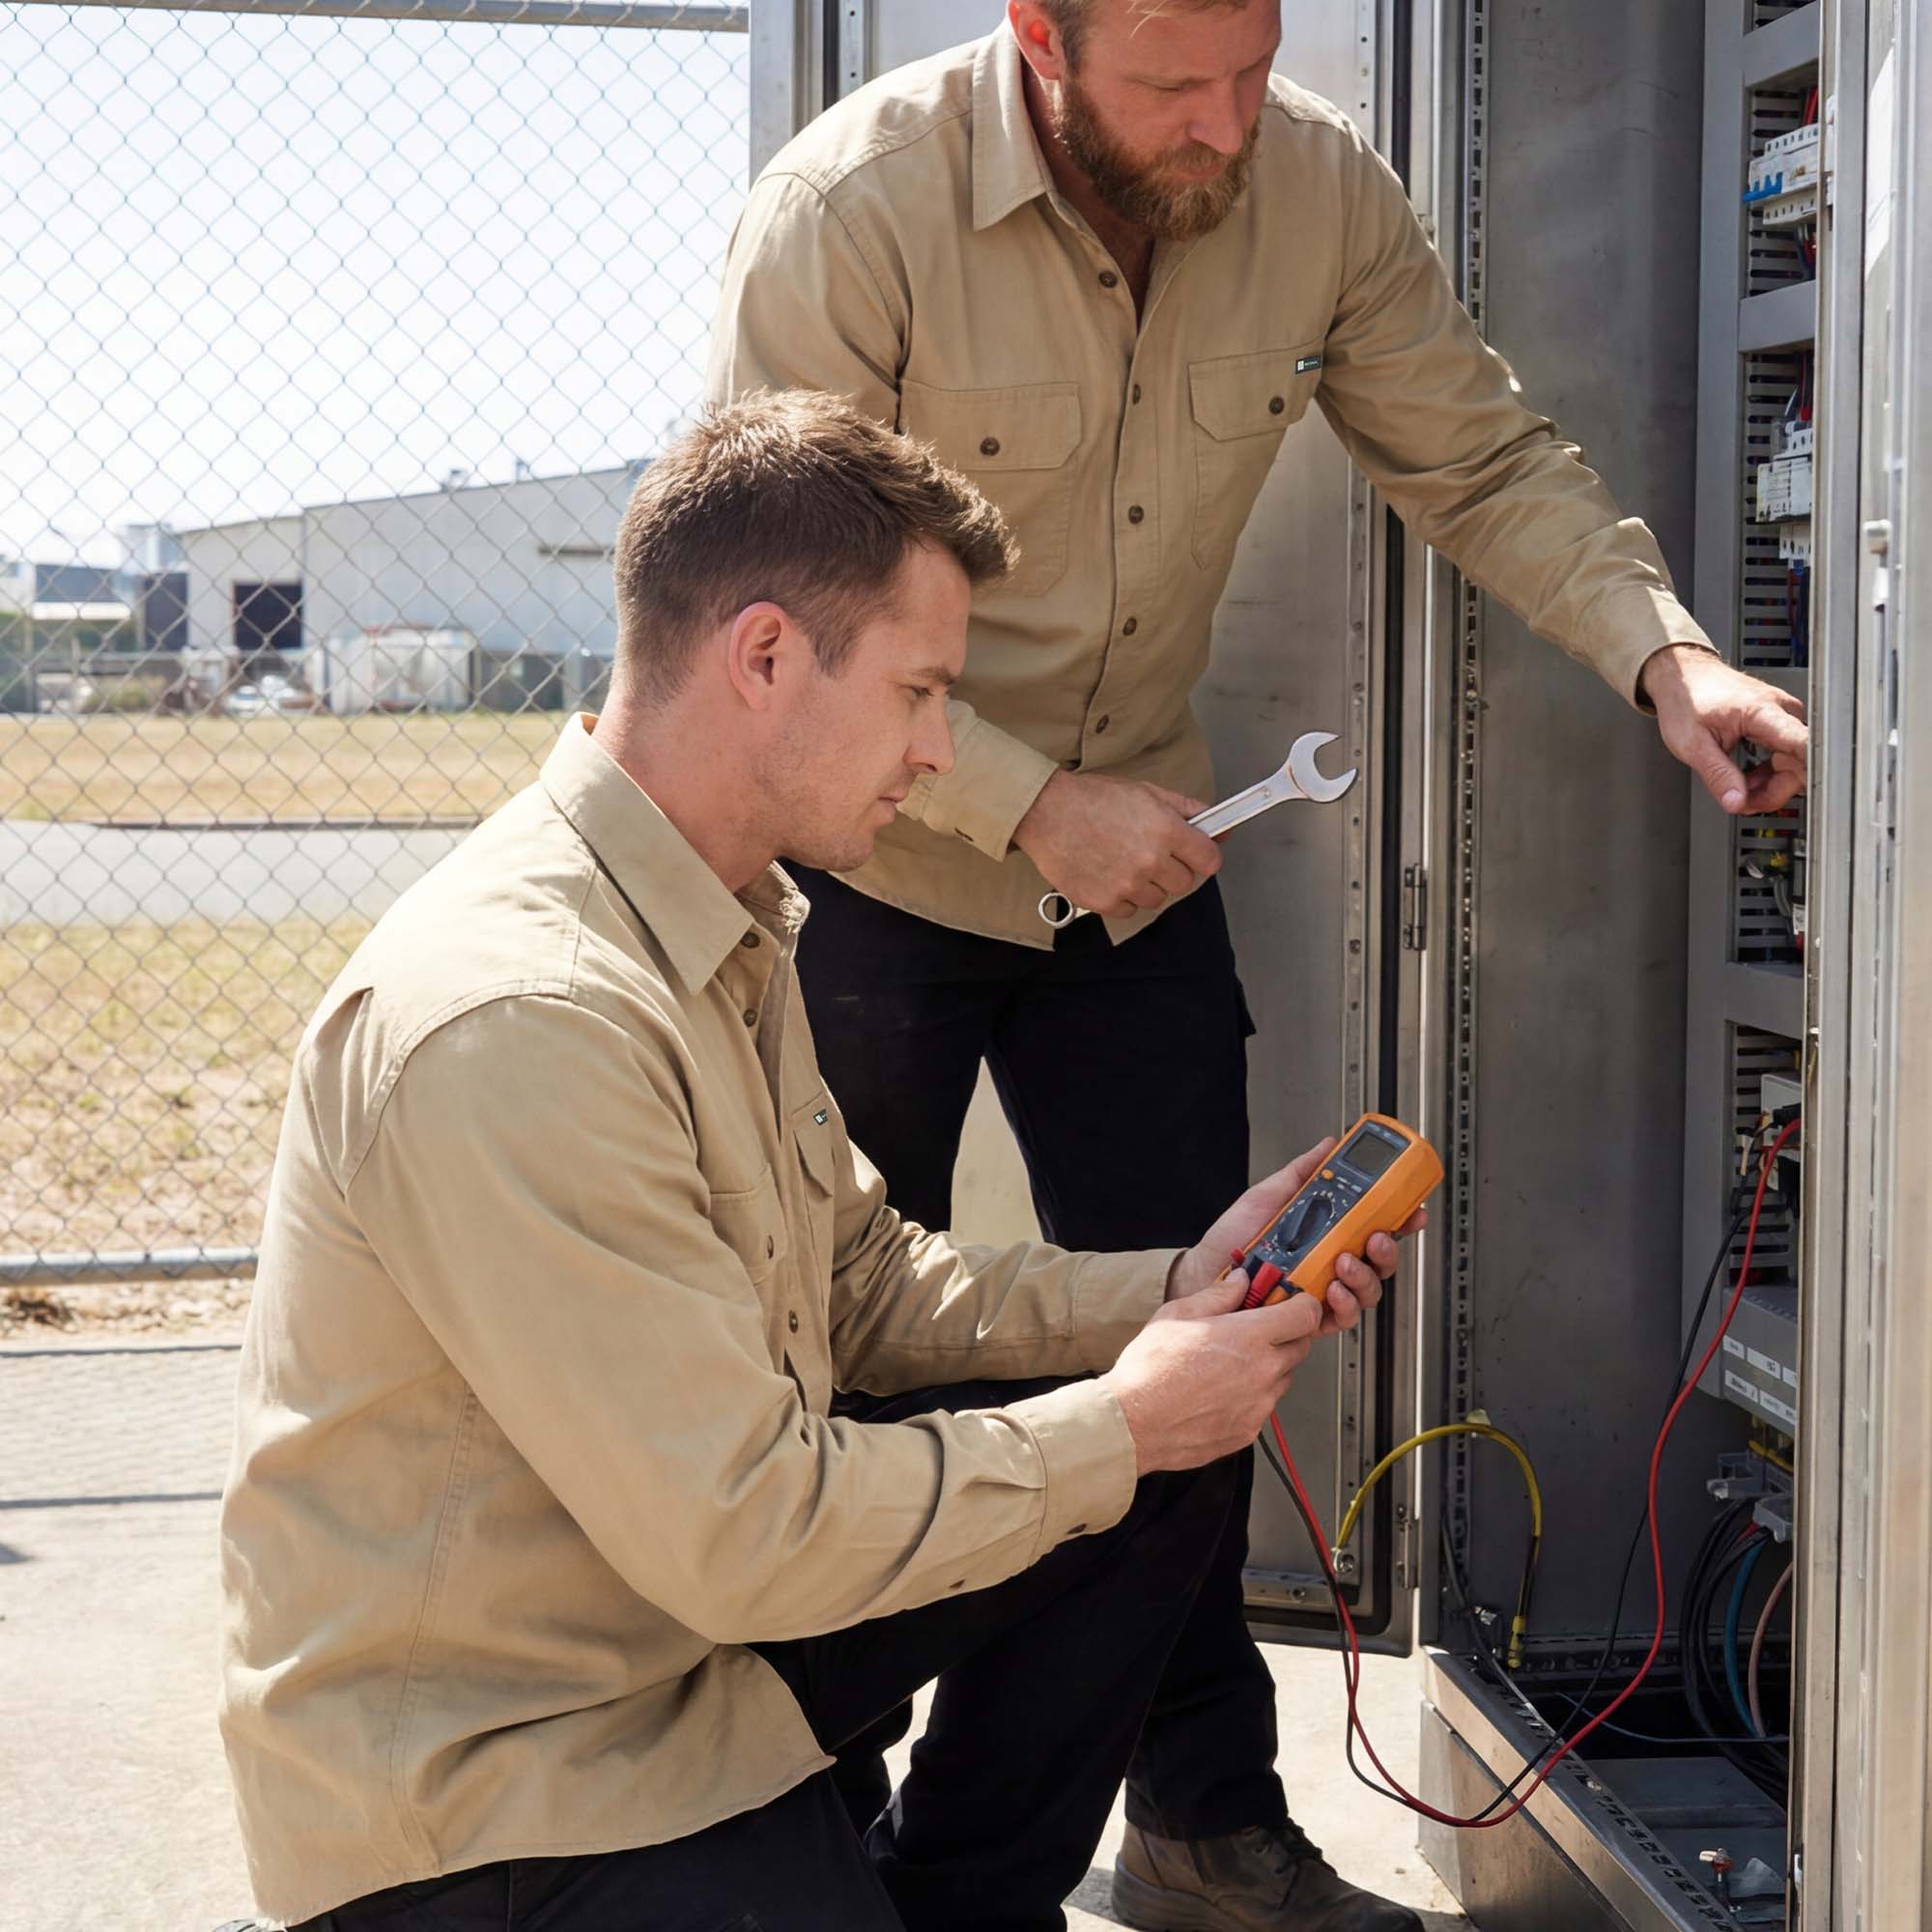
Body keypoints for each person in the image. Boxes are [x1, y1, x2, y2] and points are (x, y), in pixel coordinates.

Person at [703, 6, 1811, 1929]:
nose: (1227, 125)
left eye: (1251, 64)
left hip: (1133, 868)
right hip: (870, 844)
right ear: (1040, 36)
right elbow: (773, 597)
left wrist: (1665, 652)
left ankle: (1157, 1834)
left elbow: (1478, 456)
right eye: (1168, 88)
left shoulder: (1310, 185)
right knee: (827, 1368)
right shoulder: (852, 212)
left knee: (1218, 1345)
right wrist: (1032, 800)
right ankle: (794, 1839)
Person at [216, 389, 1413, 1932]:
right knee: (1125, 1449)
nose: (941, 752)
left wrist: (1166, 1299)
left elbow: (863, 1277)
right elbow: (747, 1534)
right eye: (922, 692)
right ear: (765, 656)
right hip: (500, 1793)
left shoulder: (716, 917)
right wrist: (1117, 1417)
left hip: (662, 1642)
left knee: (1157, 1474)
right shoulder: (520, 1018)